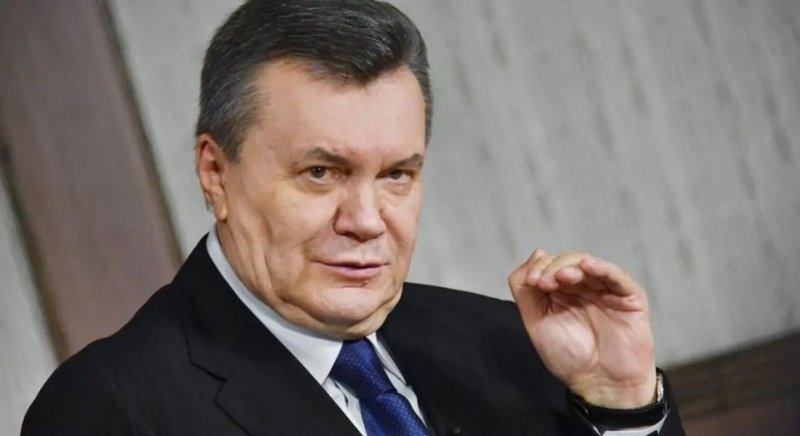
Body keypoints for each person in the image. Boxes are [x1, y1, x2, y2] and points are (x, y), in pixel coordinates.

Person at [22, 1, 685, 435]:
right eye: (321, 172)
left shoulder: (509, 343)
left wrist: (619, 402)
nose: (366, 220)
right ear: (216, 174)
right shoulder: (109, 410)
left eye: (396, 174)